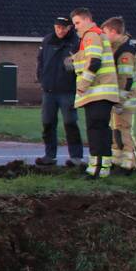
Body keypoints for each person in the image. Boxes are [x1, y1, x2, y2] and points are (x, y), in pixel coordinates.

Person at [67, 7, 119, 179]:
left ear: (87, 20)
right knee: (101, 130)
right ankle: (102, 168)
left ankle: (95, 169)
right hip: (102, 94)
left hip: (97, 93)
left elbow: (94, 62)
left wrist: (82, 85)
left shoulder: (91, 36)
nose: (75, 27)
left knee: (95, 130)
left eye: (77, 22)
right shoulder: (97, 35)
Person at [34, 17, 83, 166]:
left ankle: (76, 157)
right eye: (57, 27)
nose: (60, 30)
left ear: (69, 28)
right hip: (49, 91)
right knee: (48, 123)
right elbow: (40, 61)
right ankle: (50, 156)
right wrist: (41, 78)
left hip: (68, 90)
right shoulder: (48, 41)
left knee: (70, 122)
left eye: (63, 28)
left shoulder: (76, 42)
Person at [102, 16, 136, 173]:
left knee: (123, 129)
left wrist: (119, 101)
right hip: (119, 97)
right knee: (116, 129)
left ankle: (131, 163)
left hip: (125, 99)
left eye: (105, 32)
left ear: (113, 31)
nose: (103, 36)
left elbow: (126, 78)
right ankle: (118, 160)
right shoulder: (119, 46)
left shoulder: (125, 51)